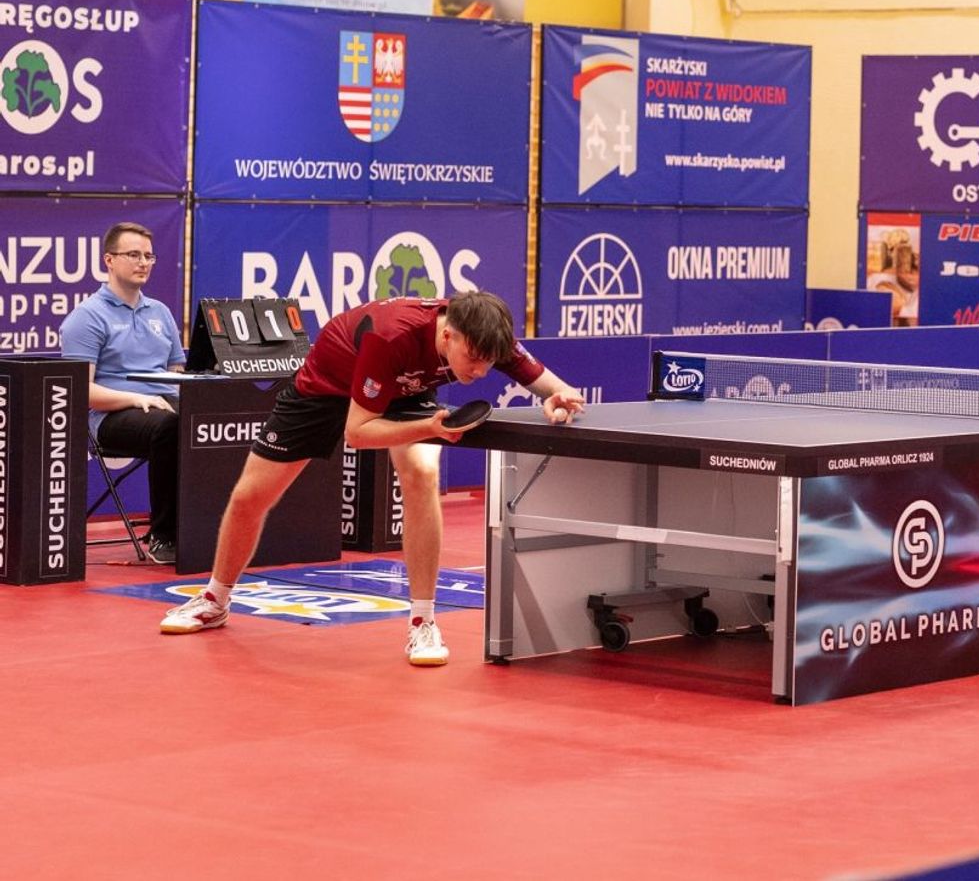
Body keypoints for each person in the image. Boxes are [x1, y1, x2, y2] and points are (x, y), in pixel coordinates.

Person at [158, 291, 585, 665]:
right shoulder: (392, 336)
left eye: (490, 361)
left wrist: (558, 396)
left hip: (405, 387)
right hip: (327, 388)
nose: (480, 370)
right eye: (473, 359)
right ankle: (215, 599)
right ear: (447, 335)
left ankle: (423, 621)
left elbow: (551, 384)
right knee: (250, 496)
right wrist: (430, 427)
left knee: (421, 472)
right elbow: (358, 433)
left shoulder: (485, 333)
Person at [59, 222, 185, 565]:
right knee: (171, 427)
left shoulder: (160, 312)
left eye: (148, 256)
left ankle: (207, 528)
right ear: (109, 260)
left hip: (163, 405)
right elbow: (80, 391)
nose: (143, 262)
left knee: (212, 422)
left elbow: (176, 374)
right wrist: (135, 398)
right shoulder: (87, 317)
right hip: (110, 417)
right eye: (133, 254)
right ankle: (164, 536)